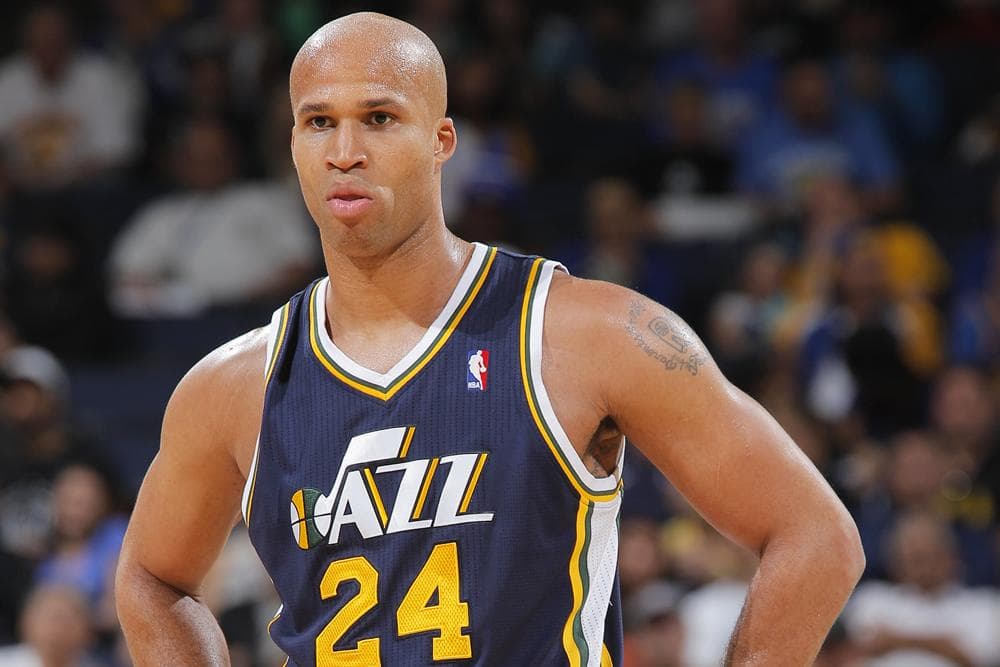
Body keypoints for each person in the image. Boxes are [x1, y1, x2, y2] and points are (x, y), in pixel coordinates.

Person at [115, 12, 864, 666]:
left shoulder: (588, 332)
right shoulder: (234, 385)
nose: (345, 150)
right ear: (293, 145)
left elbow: (815, 535)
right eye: (319, 122)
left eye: (379, 117)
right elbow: (151, 577)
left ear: (442, 140)